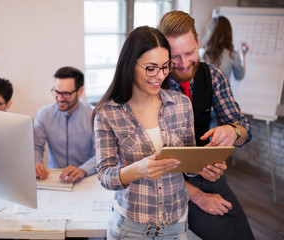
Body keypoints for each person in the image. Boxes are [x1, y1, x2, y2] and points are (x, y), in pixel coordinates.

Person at [158, 11, 255, 240]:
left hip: (208, 175)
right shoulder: (154, 83)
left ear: (198, 41)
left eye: (190, 53)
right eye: (174, 57)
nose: (183, 64)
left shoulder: (214, 76)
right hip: (167, 182)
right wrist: (197, 196)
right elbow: (147, 164)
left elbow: (244, 128)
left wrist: (233, 132)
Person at [93, 26, 195, 240]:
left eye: (165, 67)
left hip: (176, 225)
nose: (160, 76)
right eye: (151, 68)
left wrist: (206, 166)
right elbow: (104, 175)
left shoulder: (181, 104)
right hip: (130, 229)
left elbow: (189, 164)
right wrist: (137, 170)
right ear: (130, 65)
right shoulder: (107, 113)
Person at [34, 66, 96, 183]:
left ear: (80, 91)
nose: (60, 98)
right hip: (55, 179)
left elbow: (102, 154)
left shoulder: (95, 116)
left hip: (86, 178)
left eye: (66, 94)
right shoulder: (44, 114)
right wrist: (37, 163)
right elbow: (36, 146)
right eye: (57, 92)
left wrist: (83, 169)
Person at [200, 15, 249, 81]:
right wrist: (243, 55)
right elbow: (239, 76)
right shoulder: (232, 55)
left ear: (210, 33)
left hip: (201, 91)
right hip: (223, 91)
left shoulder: (200, 53)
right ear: (228, 33)